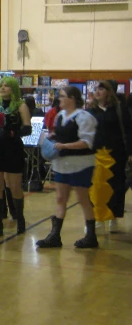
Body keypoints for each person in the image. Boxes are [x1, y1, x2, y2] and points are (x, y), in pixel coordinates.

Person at [37, 86, 99, 248]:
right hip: (62, 164)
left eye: (62, 96)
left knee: (82, 199)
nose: (59, 99)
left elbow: (87, 142)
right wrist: (52, 138)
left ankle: (91, 236)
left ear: (72, 98)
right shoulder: (60, 116)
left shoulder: (84, 117)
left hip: (81, 164)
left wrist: (65, 146)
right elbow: (61, 136)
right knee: (60, 198)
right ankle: (55, 236)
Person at [0, 76, 31, 237]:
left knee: (14, 187)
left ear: (13, 88)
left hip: (13, 148)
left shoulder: (21, 106)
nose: (2, 88)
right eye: (1, 85)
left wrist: (12, 132)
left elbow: (27, 129)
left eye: (7, 86)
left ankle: (20, 218)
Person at [88, 80, 132, 233]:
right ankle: (98, 218)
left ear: (109, 92)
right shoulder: (91, 111)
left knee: (116, 187)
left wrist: (130, 152)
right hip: (97, 154)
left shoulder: (119, 110)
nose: (98, 91)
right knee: (97, 187)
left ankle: (113, 217)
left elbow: (128, 131)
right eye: (96, 89)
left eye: (102, 89)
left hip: (117, 155)